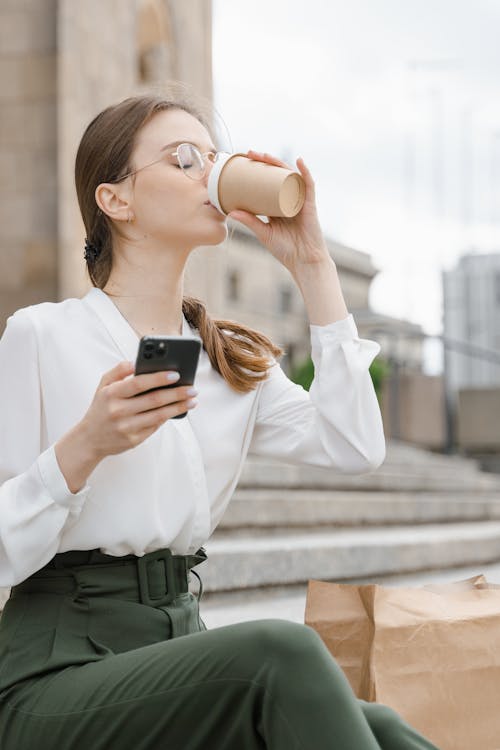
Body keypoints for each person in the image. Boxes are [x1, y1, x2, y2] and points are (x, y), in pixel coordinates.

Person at [0, 92, 439, 750]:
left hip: (179, 654)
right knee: (279, 653)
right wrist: (84, 449)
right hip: (55, 673)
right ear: (115, 200)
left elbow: (355, 446)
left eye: (212, 158)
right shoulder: (40, 336)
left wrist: (312, 265)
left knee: (383, 728)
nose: (208, 173)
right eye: (183, 160)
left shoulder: (230, 361)